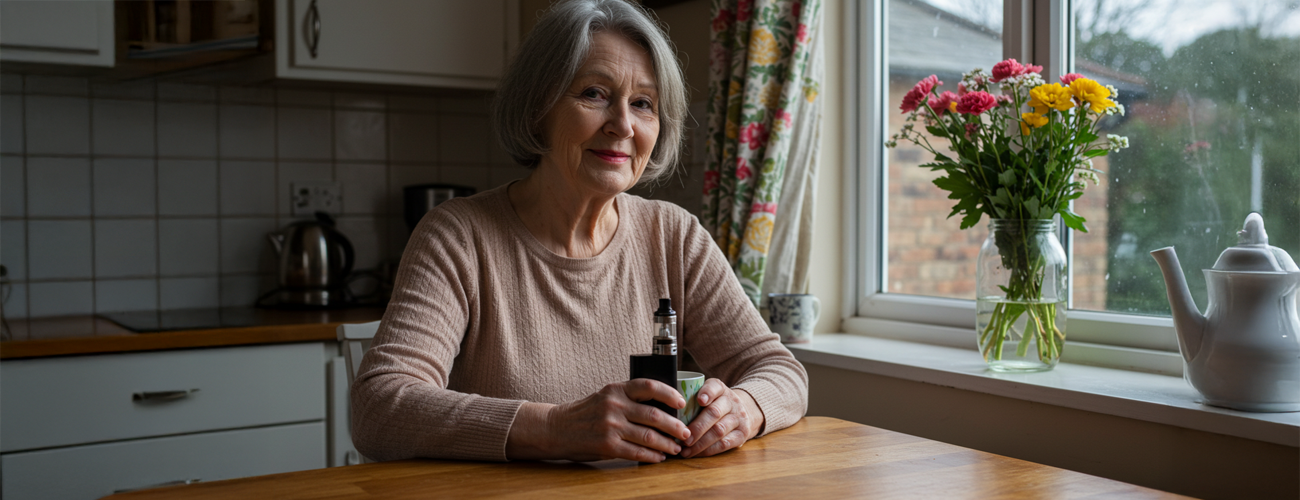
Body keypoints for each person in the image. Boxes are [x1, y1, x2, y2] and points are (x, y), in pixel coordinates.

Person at [350, 0, 807, 464]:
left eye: (643, 104)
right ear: (538, 107)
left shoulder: (675, 236)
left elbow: (778, 371)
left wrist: (743, 409)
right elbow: (378, 407)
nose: (623, 125)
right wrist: (553, 428)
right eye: (594, 94)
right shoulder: (459, 237)